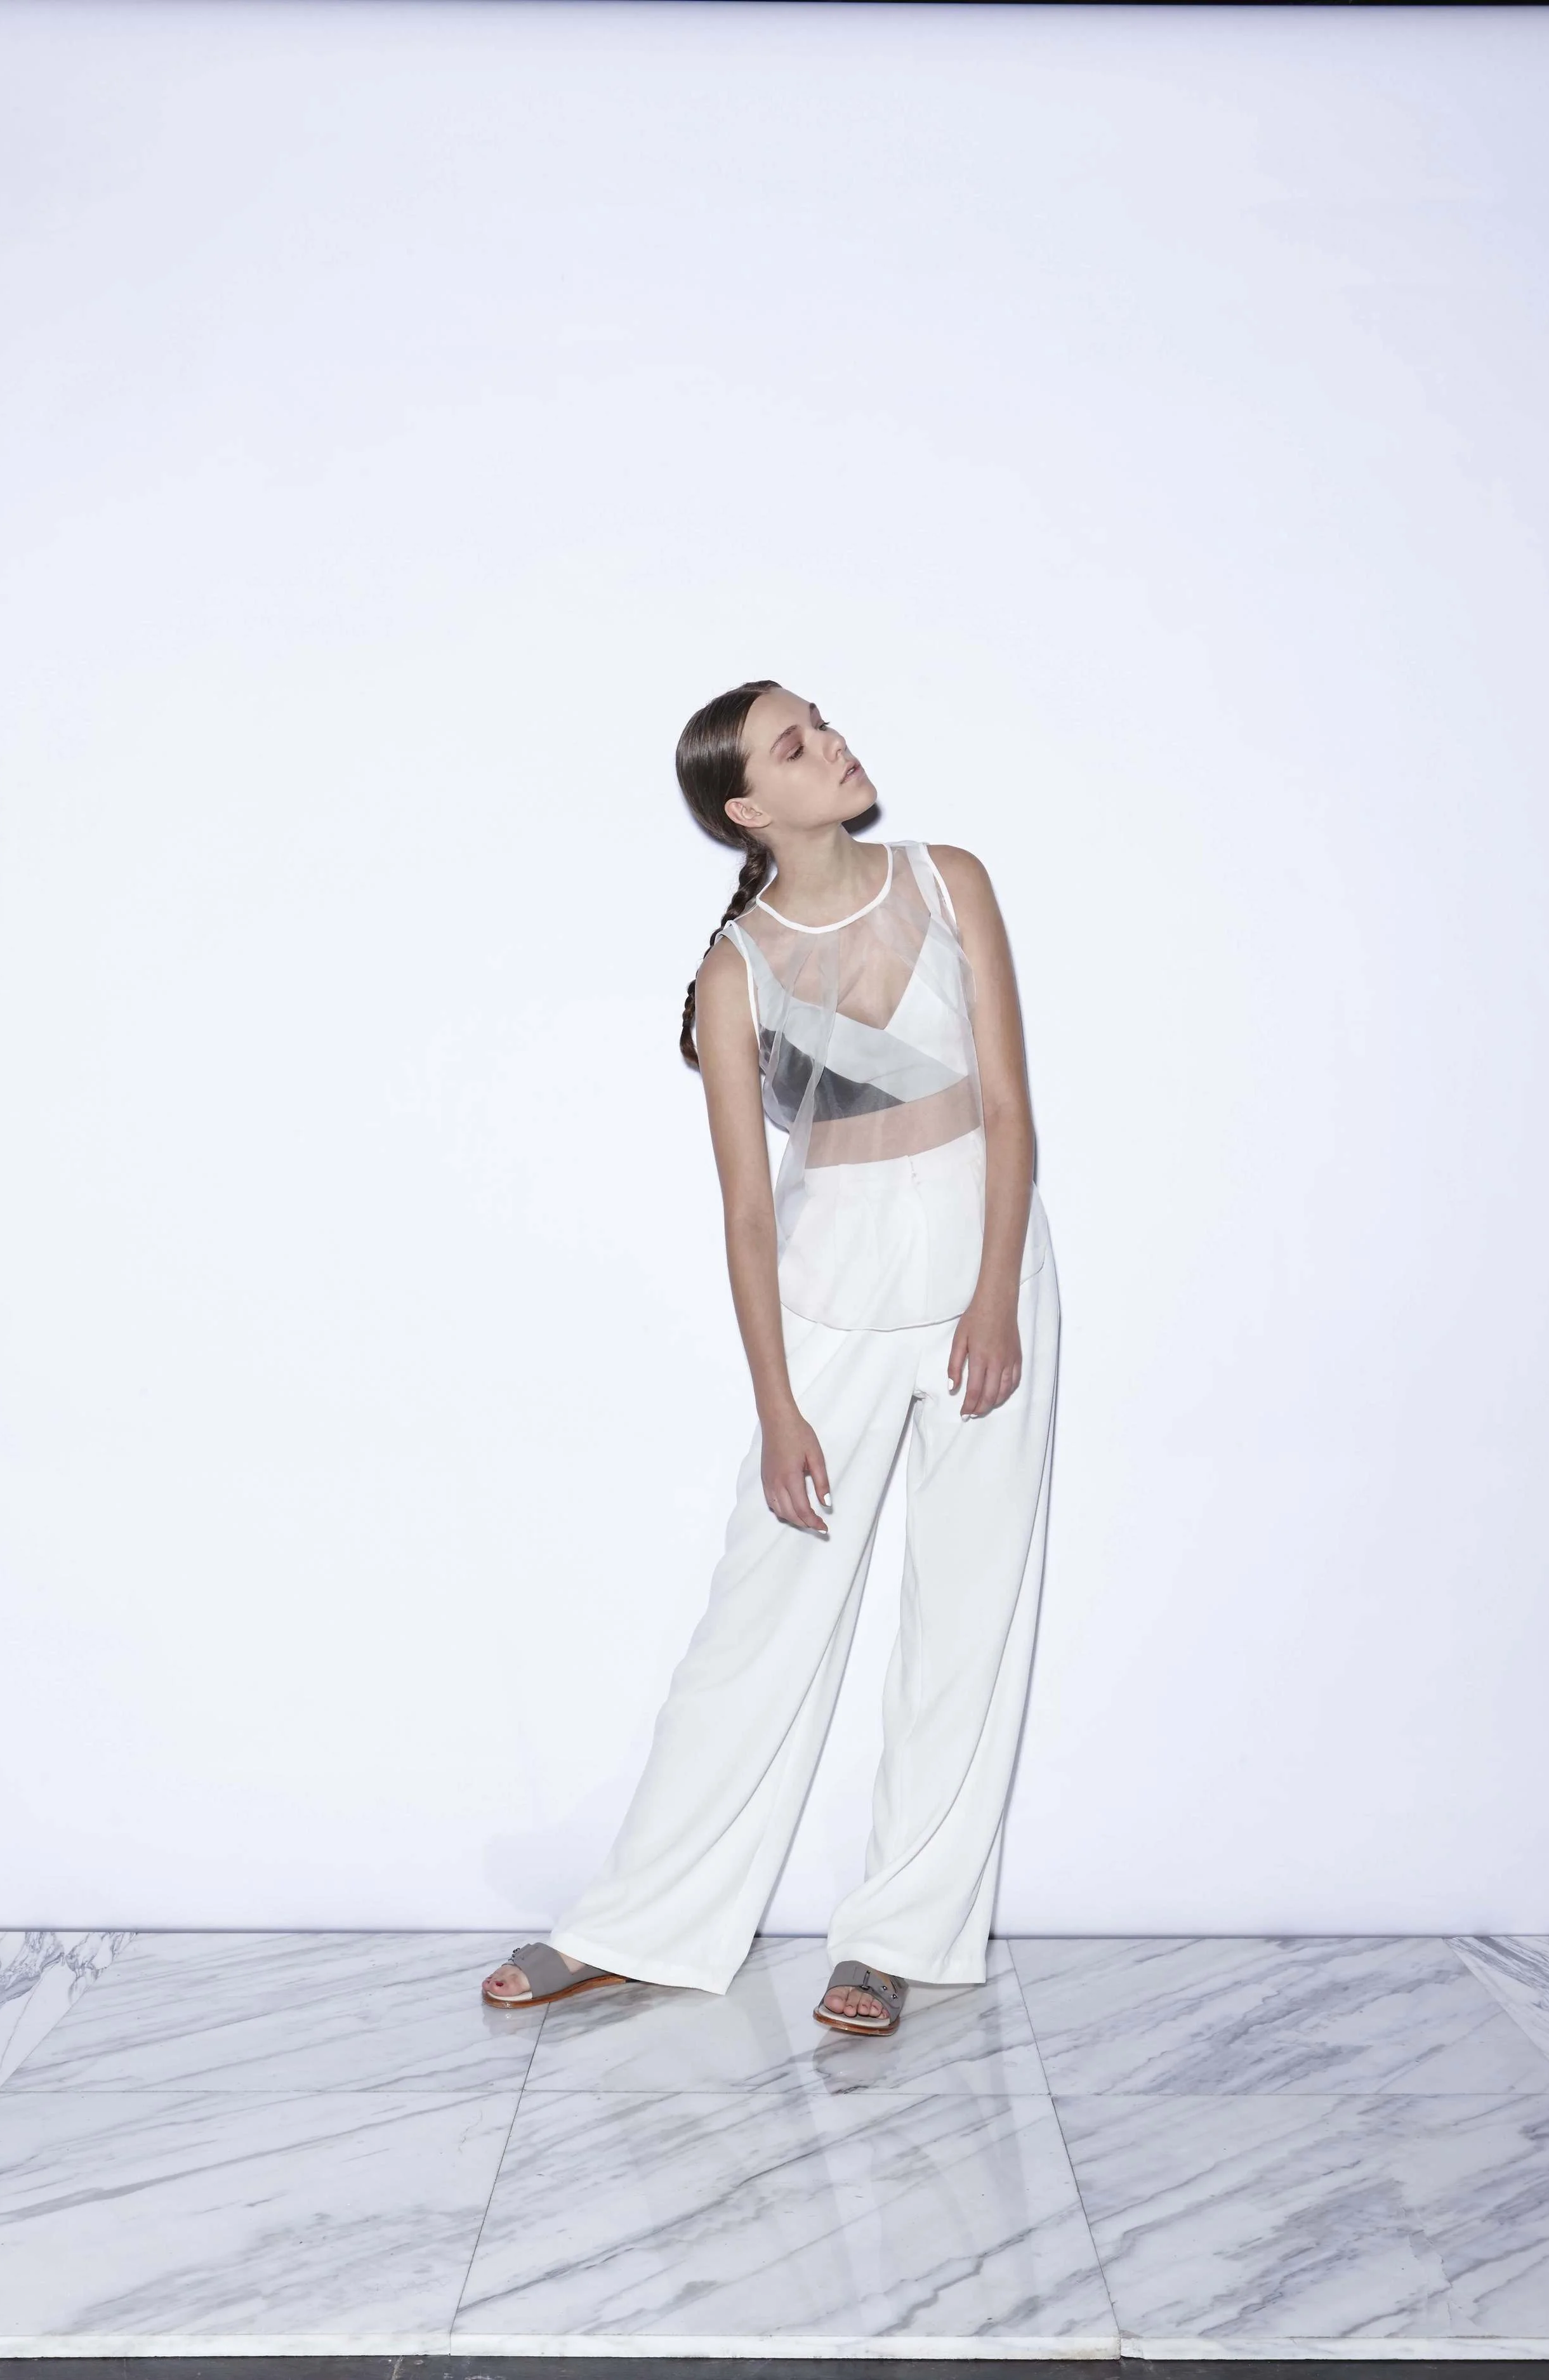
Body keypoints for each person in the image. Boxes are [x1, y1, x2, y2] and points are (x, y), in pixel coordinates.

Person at [482, 680, 1059, 2037]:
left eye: (821, 720)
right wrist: (779, 1407)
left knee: (967, 1617)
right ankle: (638, 1925)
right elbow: (749, 1211)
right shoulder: (735, 970)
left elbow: (1010, 1106)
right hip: (829, 1307)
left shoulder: (951, 879)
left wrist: (995, 1301)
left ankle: (900, 1939)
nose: (833, 743)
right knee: (757, 1625)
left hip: (986, 1282)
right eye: (796, 745)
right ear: (747, 808)